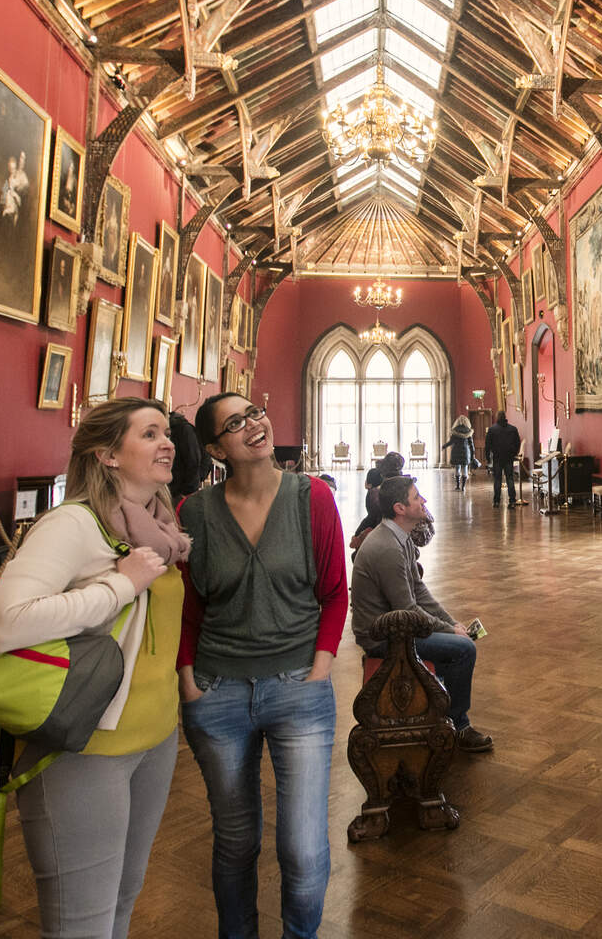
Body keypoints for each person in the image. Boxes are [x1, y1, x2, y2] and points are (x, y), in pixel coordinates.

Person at [0, 398, 189, 939]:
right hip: (85, 748)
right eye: (149, 434)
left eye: (166, 432)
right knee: (82, 924)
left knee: (122, 900)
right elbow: (7, 623)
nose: (167, 443)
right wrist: (121, 585)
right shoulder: (72, 523)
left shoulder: (159, 527)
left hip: (155, 738)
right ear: (108, 455)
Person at [178, 392, 348, 939]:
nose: (254, 424)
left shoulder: (311, 497)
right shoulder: (195, 513)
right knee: (234, 842)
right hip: (216, 691)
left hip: (299, 688)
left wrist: (319, 670)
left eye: (255, 412)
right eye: (235, 423)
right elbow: (188, 607)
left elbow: (334, 592)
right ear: (213, 447)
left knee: (301, 848)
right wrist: (189, 683)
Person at [350, 476, 492, 753]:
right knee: (463, 649)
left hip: (397, 626)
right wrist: (450, 632)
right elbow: (409, 610)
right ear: (400, 508)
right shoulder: (387, 547)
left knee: (458, 642)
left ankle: (441, 715)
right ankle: (458, 727)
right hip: (381, 636)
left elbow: (419, 591)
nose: (423, 501)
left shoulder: (399, 538)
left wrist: (451, 622)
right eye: (417, 497)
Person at [484, 411, 521, 507]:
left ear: (497, 417)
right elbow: (517, 443)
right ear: (505, 417)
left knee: (497, 480)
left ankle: (496, 501)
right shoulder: (513, 429)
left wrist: (488, 458)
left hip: (497, 458)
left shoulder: (492, 430)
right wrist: (514, 453)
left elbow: (487, 445)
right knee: (510, 479)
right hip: (509, 457)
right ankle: (512, 501)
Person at [443, 415, 474, 490]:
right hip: (465, 452)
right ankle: (463, 486)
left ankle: (457, 485)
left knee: (457, 468)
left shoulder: (454, 430)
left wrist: (444, 446)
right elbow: (471, 444)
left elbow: (451, 442)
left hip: (456, 451)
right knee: (465, 468)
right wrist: (473, 454)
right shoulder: (468, 431)